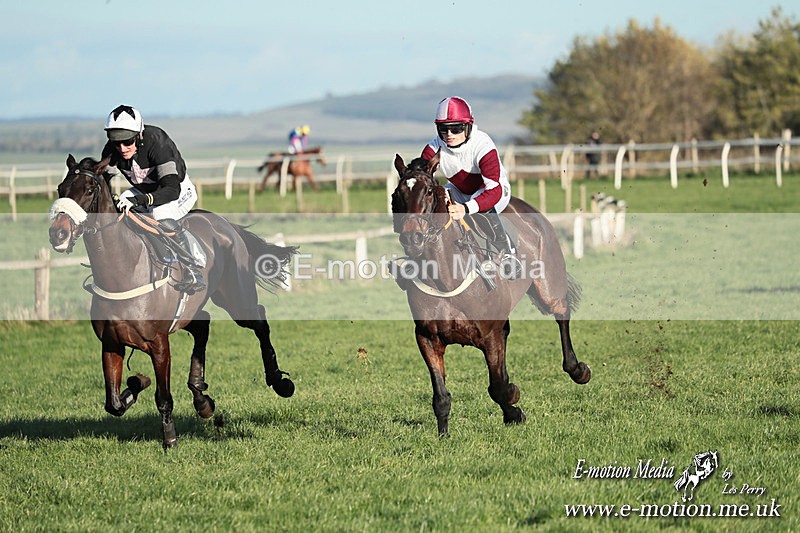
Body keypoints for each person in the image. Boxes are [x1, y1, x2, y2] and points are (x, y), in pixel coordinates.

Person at [101, 104, 206, 293]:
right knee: (120, 206)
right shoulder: (113, 150)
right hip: (147, 191)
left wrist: (140, 201)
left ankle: (193, 268)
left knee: (158, 212)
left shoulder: (157, 143)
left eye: (128, 142)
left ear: (139, 135)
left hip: (179, 191)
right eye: (117, 142)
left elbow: (171, 190)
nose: (122, 148)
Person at [419, 96, 522, 277]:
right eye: (443, 129)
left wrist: (466, 208)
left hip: (493, 190)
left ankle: (506, 253)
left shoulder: (483, 145)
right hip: (459, 190)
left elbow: (494, 190)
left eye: (456, 128)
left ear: (467, 126)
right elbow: (421, 178)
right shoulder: (433, 147)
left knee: (482, 208)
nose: (449, 134)